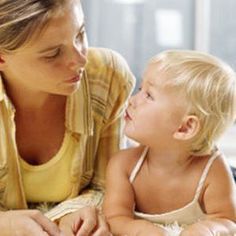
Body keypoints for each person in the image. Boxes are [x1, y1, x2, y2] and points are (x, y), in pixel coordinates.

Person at [0, 0, 135, 235]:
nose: (81, 59)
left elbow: (108, 185)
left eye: (80, 33)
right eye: (52, 54)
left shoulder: (106, 75)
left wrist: (73, 215)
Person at [103, 50, 236, 236]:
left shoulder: (213, 170)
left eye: (149, 95)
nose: (132, 100)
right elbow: (115, 218)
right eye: (141, 89)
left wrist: (208, 229)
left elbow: (228, 220)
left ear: (185, 127)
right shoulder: (123, 165)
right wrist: (141, 230)